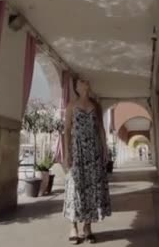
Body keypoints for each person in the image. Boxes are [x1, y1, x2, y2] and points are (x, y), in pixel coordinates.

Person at [63, 79, 112, 244]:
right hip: (78, 151)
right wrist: (67, 154)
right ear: (77, 87)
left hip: (94, 151)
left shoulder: (96, 105)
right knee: (75, 187)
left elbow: (101, 129)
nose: (86, 83)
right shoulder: (71, 106)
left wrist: (105, 148)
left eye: (87, 81)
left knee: (92, 188)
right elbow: (67, 131)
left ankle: (88, 227)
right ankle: (73, 227)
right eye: (82, 81)